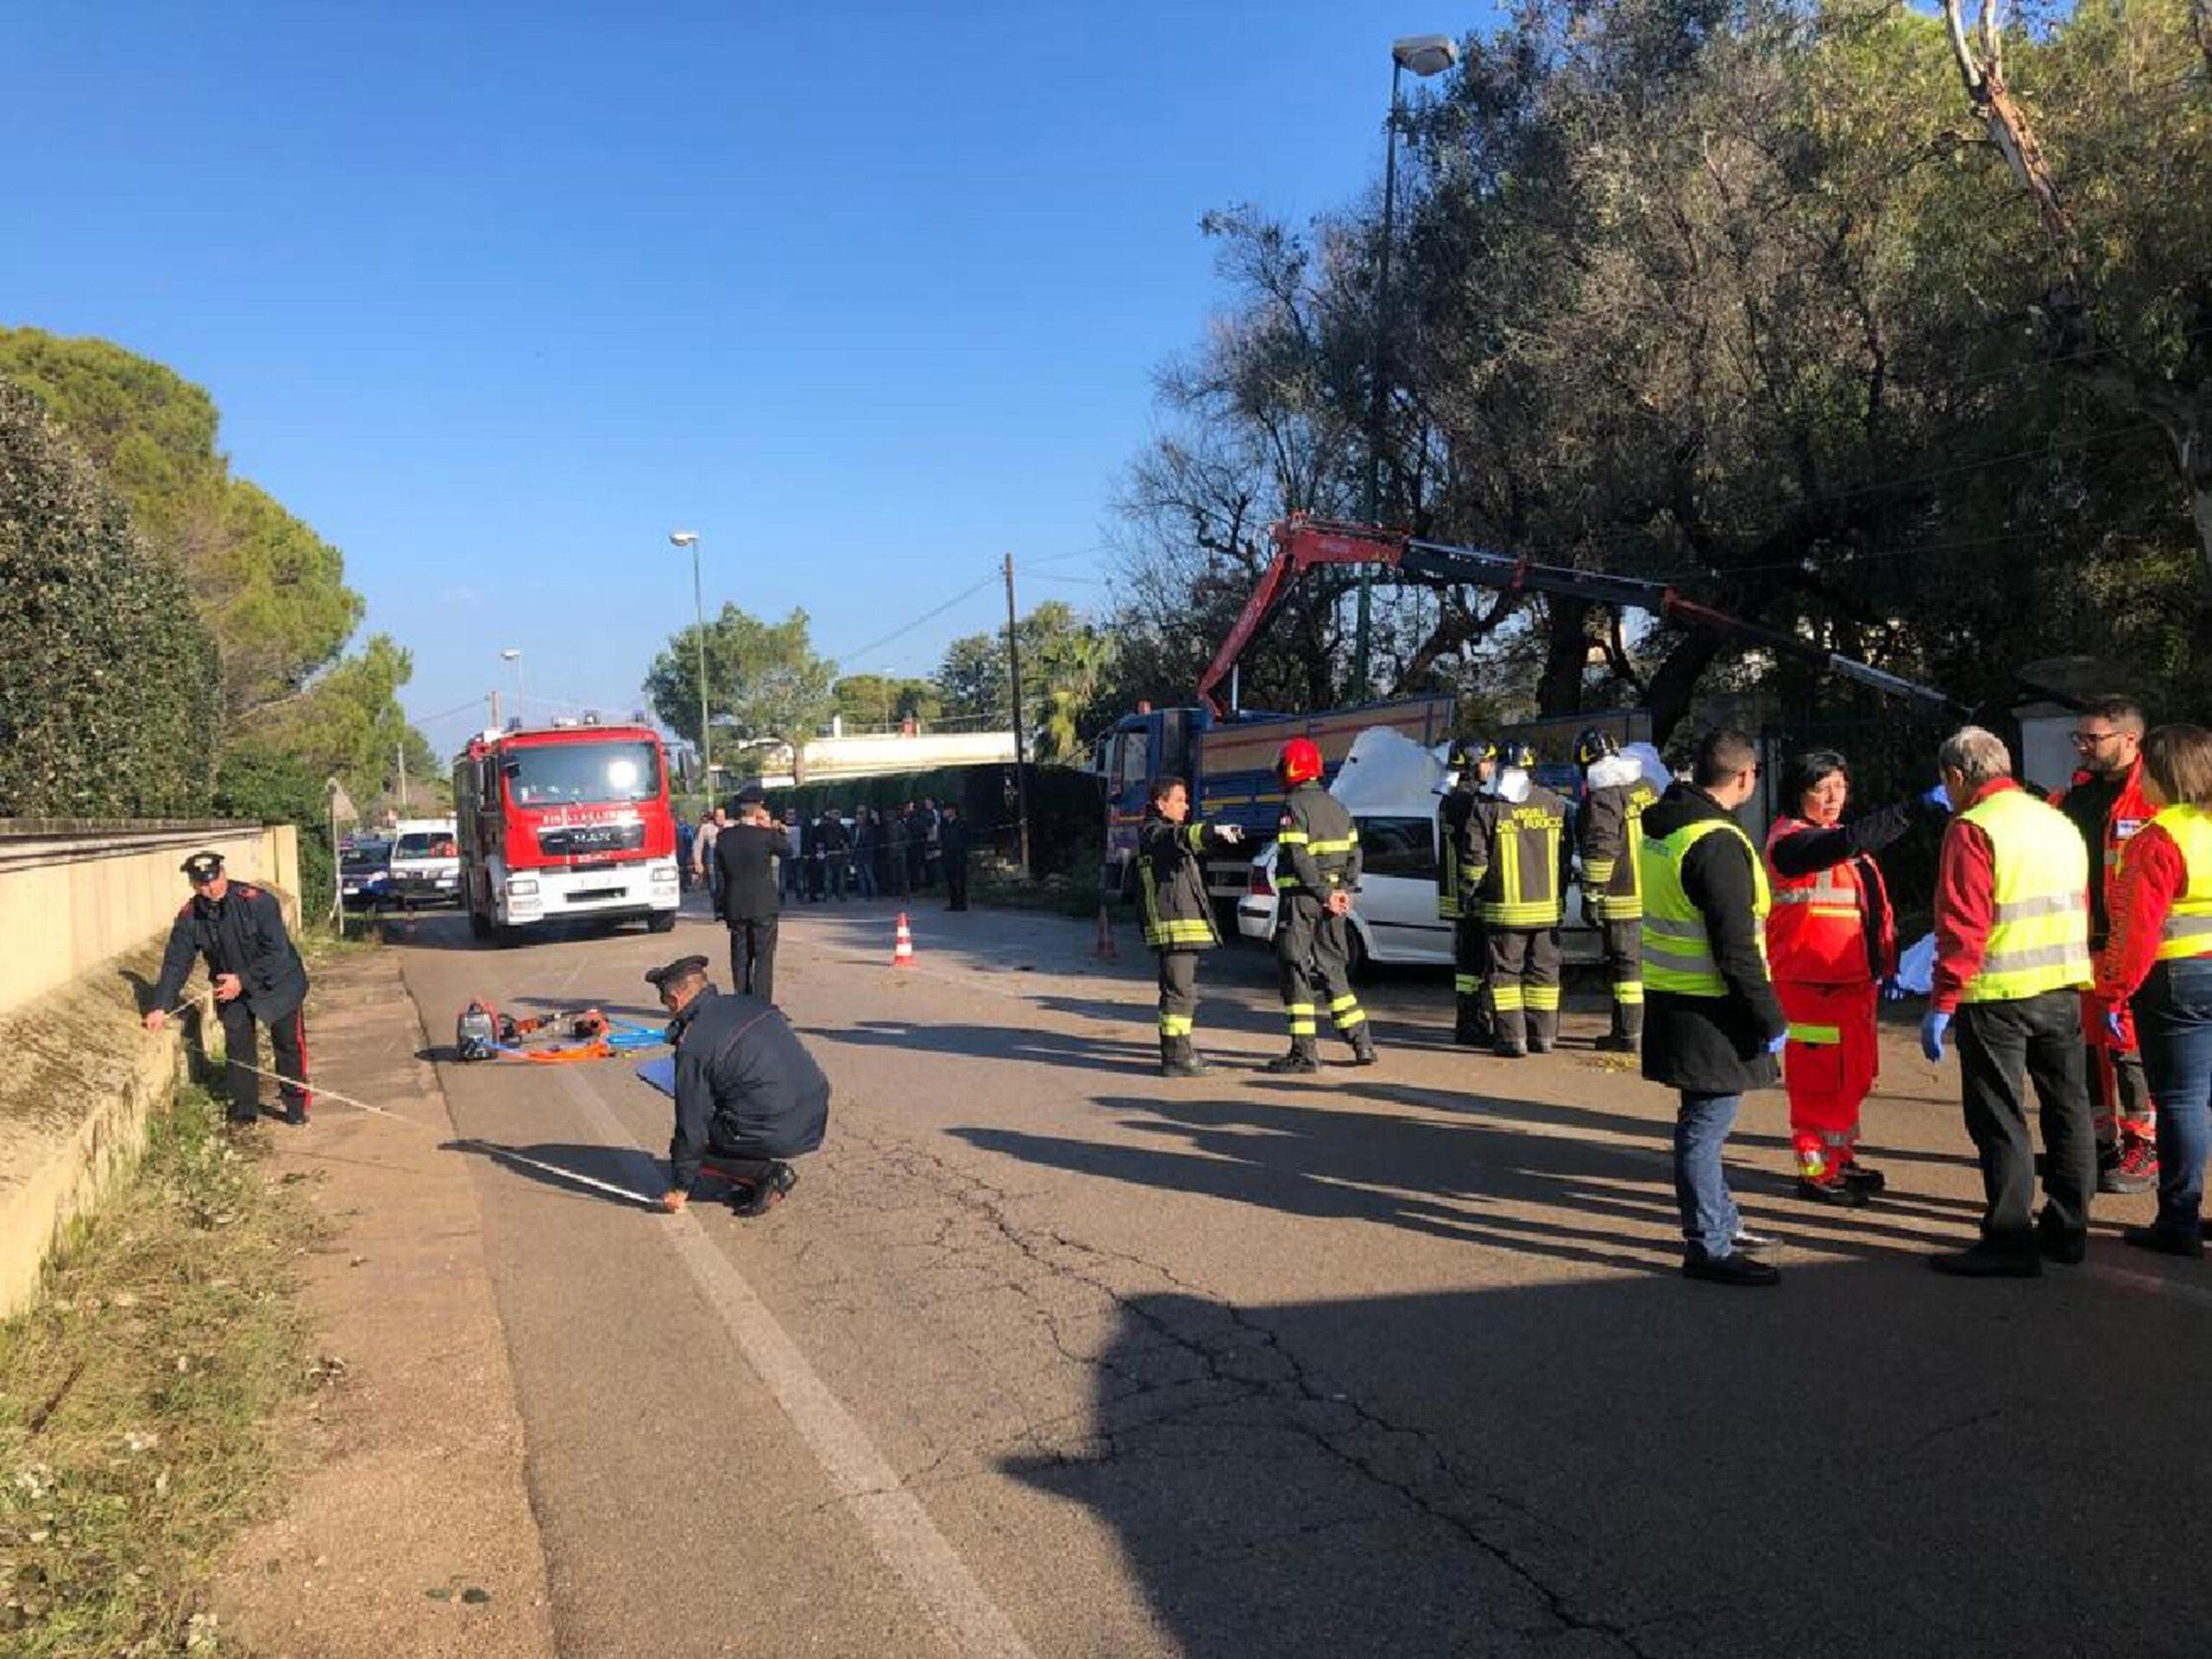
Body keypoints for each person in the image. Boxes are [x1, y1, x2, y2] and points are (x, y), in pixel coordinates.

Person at [1923, 725, 2096, 1276]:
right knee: (2068, 1110)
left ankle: (2009, 1239)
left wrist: (1943, 999)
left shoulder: (1973, 827)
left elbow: (1962, 924)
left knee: (2000, 1117)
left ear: (1956, 776)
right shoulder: (2056, 818)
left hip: (1997, 993)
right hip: (2063, 985)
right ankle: (2068, 1230)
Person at [1764, 751, 1947, 1205]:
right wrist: (1913, 808)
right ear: (1797, 793)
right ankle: (1815, 1172)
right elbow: (1846, 843)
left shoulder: (1838, 843)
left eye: (1840, 787)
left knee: (1853, 1078)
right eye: (1820, 788)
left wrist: (1885, 969)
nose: (1832, 797)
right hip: (1813, 986)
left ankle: (1839, 1158)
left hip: (1852, 984)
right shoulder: (1791, 843)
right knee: (1819, 1084)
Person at [1639, 729, 1787, 1287]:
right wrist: (1770, 1017)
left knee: (1703, 1123)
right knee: (1705, 1128)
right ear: (1746, 777)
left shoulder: (1663, 826)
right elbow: (1735, 948)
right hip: (1713, 1009)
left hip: (1675, 1000)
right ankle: (1709, 1245)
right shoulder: (1716, 840)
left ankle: (1723, 1223)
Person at [2094, 725, 2212, 1256]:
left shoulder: (2159, 838)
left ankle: (2179, 1221)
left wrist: (2115, 994)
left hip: (2178, 980)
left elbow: (2135, 929)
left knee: (2183, 1101)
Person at [2054, 695, 2159, 1193]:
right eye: (2080, 738)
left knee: (2130, 1048)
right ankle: (2100, 1142)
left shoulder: (2155, 797)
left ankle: (2146, 1142)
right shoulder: (2076, 795)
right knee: (2088, 1049)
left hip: (2136, 947)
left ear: (2130, 739)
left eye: (2093, 739)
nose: (2083, 748)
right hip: (2082, 944)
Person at [647, 955, 830, 1218]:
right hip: (815, 1111)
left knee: (690, 1146)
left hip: (780, 1127)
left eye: (667, 1005)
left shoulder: (695, 1044)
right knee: (727, 1104)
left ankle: (767, 1175)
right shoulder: (747, 1003)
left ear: (674, 1000)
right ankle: (747, 1178)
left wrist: (680, 1185)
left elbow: (692, 1124)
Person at [143, 851, 313, 1127]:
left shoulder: (257, 902)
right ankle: (245, 1107)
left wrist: (242, 979)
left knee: (288, 1044)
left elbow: (277, 951)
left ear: (223, 873)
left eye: (215, 879)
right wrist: (161, 1006)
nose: (211, 887)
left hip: (278, 982)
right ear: (193, 885)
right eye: (202, 883)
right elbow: (176, 963)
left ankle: (295, 1103)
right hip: (231, 988)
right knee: (238, 1046)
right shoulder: (190, 917)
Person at [1267, 737, 1376, 1072]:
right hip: (1333, 904)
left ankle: (1304, 1053)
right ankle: (1362, 1043)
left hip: (1302, 901)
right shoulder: (1338, 807)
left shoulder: (1293, 808)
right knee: (1333, 968)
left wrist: (1321, 892)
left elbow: (1297, 857)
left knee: (1295, 968)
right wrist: (1342, 891)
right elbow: (1355, 853)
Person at [1466, 747, 1570, 1058]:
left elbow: (1474, 860)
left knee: (1506, 975)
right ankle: (1544, 1037)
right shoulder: (1553, 804)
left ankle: (1512, 1039)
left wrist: (1470, 892)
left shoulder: (1486, 807)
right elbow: (1565, 856)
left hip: (1505, 911)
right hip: (1547, 909)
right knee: (1544, 975)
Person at [1138, 778, 1245, 1076]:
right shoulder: (1155, 832)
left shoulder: (1160, 833)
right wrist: (1212, 830)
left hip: (1177, 928)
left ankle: (1178, 1053)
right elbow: (1179, 840)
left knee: (1179, 992)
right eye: (1180, 800)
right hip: (1175, 928)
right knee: (1179, 993)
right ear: (1161, 803)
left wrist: (1216, 840)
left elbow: (1186, 843)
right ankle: (1177, 1057)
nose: (1186, 806)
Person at [1577, 728, 1662, 1053]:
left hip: (1623, 896)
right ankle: (1642, 1030)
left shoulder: (1603, 798)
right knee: (1647, 967)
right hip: (1656, 893)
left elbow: (1601, 850)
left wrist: (1592, 895)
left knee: (1626, 968)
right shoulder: (1646, 787)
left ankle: (1628, 1035)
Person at [1436, 738, 1497, 1047]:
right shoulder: (1469, 802)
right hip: (1472, 897)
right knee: (1476, 964)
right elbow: (1476, 852)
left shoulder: (1450, 798)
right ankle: (1473, 1023)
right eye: (1487, 762)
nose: (1492, 768)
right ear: (1474, 765)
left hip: (1459, 898)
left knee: (1468, 965)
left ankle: (1468, 1021)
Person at [714, 790, 791, 1006]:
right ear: (759, 808)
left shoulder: (724, 837)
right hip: (763, 904)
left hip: (735, 905)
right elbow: (788, 850)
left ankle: (742, 1001)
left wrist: (720, 907)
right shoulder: (765, 835)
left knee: (740, 958)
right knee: (764, 959)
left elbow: (720, 877)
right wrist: (774, 829)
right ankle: (762, 1004)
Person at [693, 804, 727, 918]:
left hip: (727, 856)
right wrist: (698, 862)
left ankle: (726, 908)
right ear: (714, 817)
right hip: (713, 856)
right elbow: (698, 846)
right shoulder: (706, 828)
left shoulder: (730, 826)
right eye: (718, 816)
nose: (721, 818)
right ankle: (718, 908)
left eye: (723, 816)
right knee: (714, 884)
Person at [941, 803, 972, 911]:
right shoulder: (944, 824)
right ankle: (953, 903)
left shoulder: (961, 823)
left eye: (946, 810)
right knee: (950, 880)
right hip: (948, 855)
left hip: (959, 855)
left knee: (960, 880)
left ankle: (962, 903)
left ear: (952, 811)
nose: (944, 813)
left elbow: (965, 838)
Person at [851, 806, 880, 900]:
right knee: (860, 876)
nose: (858, 820)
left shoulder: (868, 829)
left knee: (869, 875)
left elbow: (871, 841)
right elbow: (853, 841)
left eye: (859, 818)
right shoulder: (854, 829)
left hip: (867, 856)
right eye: (857, 818)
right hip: (857, 856)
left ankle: (874, 893)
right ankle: (863, 893)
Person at [779, 808, 805, 903]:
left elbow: (805, 839)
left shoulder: (801, 826)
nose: (790, 816)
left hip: (798, 855)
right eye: (788, 814)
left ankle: (800, 895)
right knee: (783, 877)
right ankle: (781, 896)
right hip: (784, 855)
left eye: (792, 814)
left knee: (799, 877)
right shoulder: (780, 827)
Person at [675, 813, 696, 891]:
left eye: (682, 819)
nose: (681, 820)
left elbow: (690, 839)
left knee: (684, 869)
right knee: (682, 869)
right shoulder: (682, 828)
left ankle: (684, 884)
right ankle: (684, 884)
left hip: (683, 851)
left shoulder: (685, 828)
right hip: (681, 851)